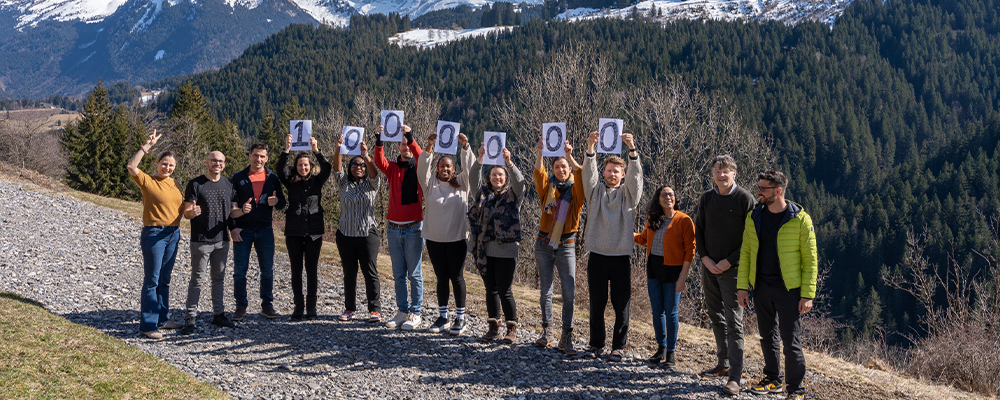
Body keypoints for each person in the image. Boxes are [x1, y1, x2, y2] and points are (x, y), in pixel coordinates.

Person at [738, 170, 817, 400]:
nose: (758, 191)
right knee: (767, 335)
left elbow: (810, 260)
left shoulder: (800, 219)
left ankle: (795, 390)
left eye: (763, 188)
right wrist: (743, 286)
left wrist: (807, 294)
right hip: (761, 286)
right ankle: (772, 379)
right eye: (759, 186)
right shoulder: (754, 216)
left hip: (789, 290)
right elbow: (746, 252)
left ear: (778, 191)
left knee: (791, 341)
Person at [694, 155, 755, 395]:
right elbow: (699, 229)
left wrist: (729, 261)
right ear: (712, 175)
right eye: (717, 171)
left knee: (734, 322)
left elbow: (751, 237)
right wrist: (705, 258)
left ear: (734, 174)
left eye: (726, 171)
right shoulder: (707, 198)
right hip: (709, 267)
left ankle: (735, 376)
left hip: (735, 270)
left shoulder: (744, 199)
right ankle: (722, 363)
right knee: (715, 317)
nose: (721, 175)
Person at [581, 131, 643, 361]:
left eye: (616, 171)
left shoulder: (629, 195)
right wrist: (590, 147)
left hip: (620, 256)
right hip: (597, 254)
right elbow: (588, 175)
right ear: (604, 172)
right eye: (608, 170)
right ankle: (596, 344)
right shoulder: (595, 192)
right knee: (597, 303)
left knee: (621, 303)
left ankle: (618, 346)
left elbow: (637, 180)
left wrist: (632, 149)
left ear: (622, 174)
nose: (611, 174)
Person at [126, 130, 185, 340]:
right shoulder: (148, 181)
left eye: (171, 165)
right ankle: (148, 325)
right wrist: (147, 146)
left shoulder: (176, 184)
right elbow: (132, 166)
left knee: (164, 280)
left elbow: (183, 209)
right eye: (164, 164)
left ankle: (162, 318)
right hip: (154, 234)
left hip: (173, 234)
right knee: (151, 280)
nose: (167, 168)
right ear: (157, 163)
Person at [417, 132, 476, 335]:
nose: (445, 169)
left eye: (448, 166)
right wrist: (429, 147)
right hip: (434, 240)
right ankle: (443, 317)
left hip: (457, 239)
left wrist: (465, 147)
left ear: (453, 169)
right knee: (441, 278)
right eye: (441, 166)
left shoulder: (462, 183)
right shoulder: (430, 184)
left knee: (457, 277)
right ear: (437, 168)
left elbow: (471, 169)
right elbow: (421, 170)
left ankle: (461, 317)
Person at [469, 144, 525, 343]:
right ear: (489, 177)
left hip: (507, 249)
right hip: (485, 249)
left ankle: (512, 327)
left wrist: (509, 163)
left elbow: (521, 183)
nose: (497, 178)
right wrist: (480, 159)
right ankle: (493, 327)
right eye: (494, 175)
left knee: (505, 289)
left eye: (500, 175)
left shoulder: (513, 196)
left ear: (506, 177)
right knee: (490, 288)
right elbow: (472, 178)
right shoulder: (482, 194)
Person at [532, 138, 584, 354]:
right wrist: (540, 153)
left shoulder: (576, 192)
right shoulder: (548, 188)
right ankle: (547, 332)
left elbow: (582, 175)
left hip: (566, 245)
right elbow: (538, 174)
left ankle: (566, 337)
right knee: (546, 291)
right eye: (557, 167)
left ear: (569, 168)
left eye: (564, 166)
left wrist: (570, 154)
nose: (561, 170)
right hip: (543, 243)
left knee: (569, 293)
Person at [633, 186, 695, 369]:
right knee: (656, 311)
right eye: (664, 194)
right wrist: (626, 234)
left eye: (671, 194)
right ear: (658, 199)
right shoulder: (653, 219)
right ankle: (660, 348)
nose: (668, 197)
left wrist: (683, 277)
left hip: (673, 273)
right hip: (653, 271)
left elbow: (690, 251)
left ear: (675, 198)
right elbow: (643, 239)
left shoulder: (684, 220)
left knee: (671, 312)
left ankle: (671, 353)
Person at [373, 125, 425, 330]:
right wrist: (378, 140)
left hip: (413, 228)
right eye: (402, 144)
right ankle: (402, 311)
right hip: (394, 228)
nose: (406, 148)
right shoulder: (393, 168)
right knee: (399, 274)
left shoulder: (420, 168)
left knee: (415, 273)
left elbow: (421, 156)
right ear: (397, 147)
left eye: (408, 145)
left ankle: (416, 312)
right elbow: (379, 161)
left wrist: (411, 137)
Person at [180, 151, 237, 335]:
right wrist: (192, 213)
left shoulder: (228, 184)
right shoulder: (195, 184)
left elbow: (233, 212)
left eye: (220, 161)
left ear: (224, 164)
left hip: (222, 240)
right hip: (201, 239)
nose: (217, 164)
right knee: (197, 279)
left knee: (218, 278)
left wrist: (243, 211)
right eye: (214, 160)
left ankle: (218, 314)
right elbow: (186, 212)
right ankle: (190, 318)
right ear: (207, 162)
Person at [276, 135, 331, 321]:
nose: (303, 168)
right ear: (296, 166)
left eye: (306, 165)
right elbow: (279, 169)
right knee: (296, 270)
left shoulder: (318, 181)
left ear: (311, 166)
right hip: (293, 232)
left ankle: (312, 308)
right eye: (300, 165)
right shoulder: (290, 181)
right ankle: (298, 308)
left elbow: (328, 168)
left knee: (312, 270)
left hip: (314, 231)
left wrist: (317, 150)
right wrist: (286, 149)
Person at [230, 142, 286, 321]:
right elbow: (230, 206)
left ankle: (267, 306)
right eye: (256, 155)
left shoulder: (272, 178)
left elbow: (283, 203)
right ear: (250, 156)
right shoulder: (238, 177)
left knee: (267, 270)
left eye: (262, 156)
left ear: (267, 158)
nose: (258, 159)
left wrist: (276, 201)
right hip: (243, 229)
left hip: (265, 230)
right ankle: (240, 306)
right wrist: (232, 227)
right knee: (240, 270)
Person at [331, 133, 383, 323]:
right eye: (355, 165)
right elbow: (336, 168)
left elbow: (375, 172)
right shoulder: (344, 182)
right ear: (349, 168)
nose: (359, 167)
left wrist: (366, 155)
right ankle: (349, 308)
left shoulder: (372, 184)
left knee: (370, 272)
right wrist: (338, 147)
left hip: (367, 234)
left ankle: (374, 310)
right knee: (349, 273)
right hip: (345, 234)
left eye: (362, 165)